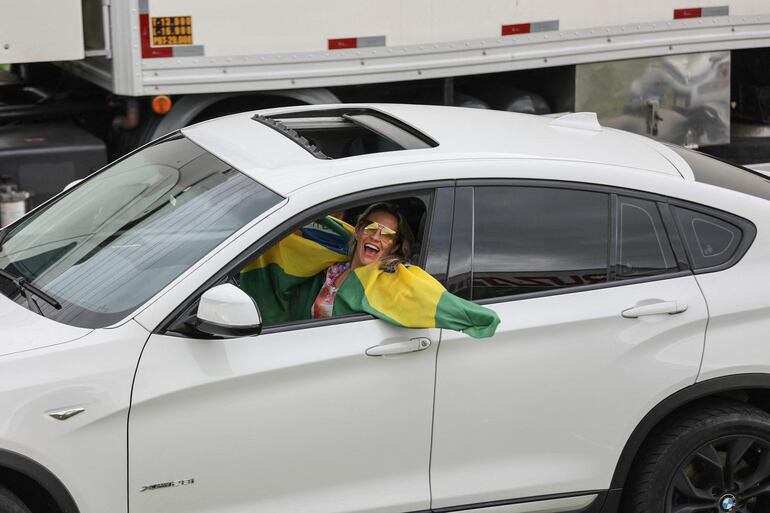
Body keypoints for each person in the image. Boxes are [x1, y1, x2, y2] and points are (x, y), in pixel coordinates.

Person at [240, 202, 500, 338]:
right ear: (359, 230)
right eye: (371, 227)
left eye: (387, 234)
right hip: (307, 353)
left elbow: (428, 297)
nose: (377, 236)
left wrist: (476, 317)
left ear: (394, 246)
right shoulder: (330, 266)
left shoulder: (390, 277)